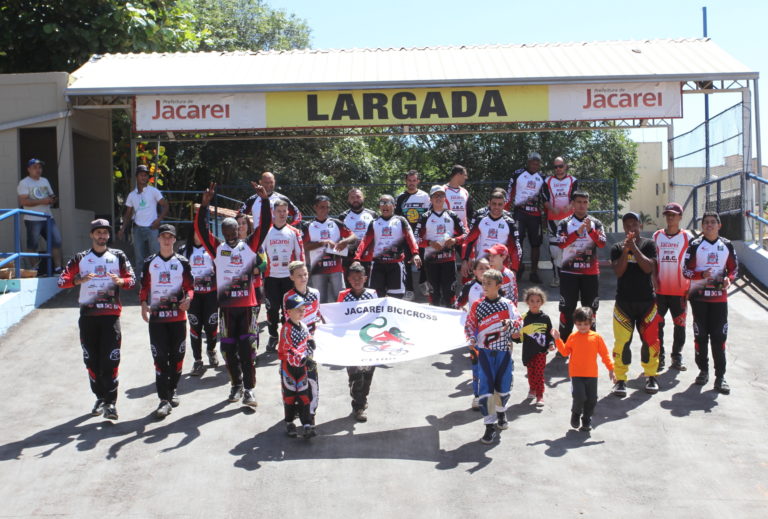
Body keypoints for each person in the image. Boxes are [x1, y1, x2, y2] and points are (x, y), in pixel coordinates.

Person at [195, 182, 271, 406]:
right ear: (222, 232)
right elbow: (200, 229)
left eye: (234, 231)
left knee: (247, 351)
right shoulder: (217, 249)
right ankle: (236, 384)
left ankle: (249, 389)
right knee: (228, 349)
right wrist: (204, 205)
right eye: (226, 232)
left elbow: (265, 225)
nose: (230, 235)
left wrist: (265, 201)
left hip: (247, 308)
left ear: (239, 230)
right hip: (226, 309)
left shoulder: (249, 246)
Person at [57, 219, 135, 420]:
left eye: (105, 233)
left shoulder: (118, 256)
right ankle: (100, 397)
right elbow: (61, 281)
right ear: (91, 234)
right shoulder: (80, 258)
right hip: (88, 317)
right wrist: (78, 280)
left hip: (110, 317)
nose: (102, 236)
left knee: (111, 360)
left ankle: (111, 403)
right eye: (98, 232)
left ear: (109, 236)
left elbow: (131, 280)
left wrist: (121, 281)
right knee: (92, 361)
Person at [139, 224, 194, 418]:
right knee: (160, 358)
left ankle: (173, 389)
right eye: (163, 236)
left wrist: (188, 299)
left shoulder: (182, 262)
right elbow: (144, 287)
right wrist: (143, 304)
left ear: (174, 239)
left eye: (170, 237)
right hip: (157, 320)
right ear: (158, 239)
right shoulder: (149, 262)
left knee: (177, 358)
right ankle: (163, 399)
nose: (167, 240)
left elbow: (189, 287)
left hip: (177, 318)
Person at [464, 269, 523, 445]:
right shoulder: (477, 305)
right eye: (483, 283)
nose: (485, 286)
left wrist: (510, 324)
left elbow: (520, 323)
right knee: (486, 390)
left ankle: (501, 412)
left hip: (504, 352)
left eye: (489, 283)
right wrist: (472, 338)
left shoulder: (507, 304)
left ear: (498, 285)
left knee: (503, 388)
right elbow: (469, 324)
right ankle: (489, 426)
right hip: (484, 353)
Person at [683, 211, 738, 394]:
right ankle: (703, 371)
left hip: (719, 299)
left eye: (713, 222)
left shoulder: (727, 245)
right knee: (701, 336)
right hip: (698, 297)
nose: (709, 225)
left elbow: (734, 269)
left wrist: (729, 279)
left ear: (719, 225)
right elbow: (685, 271)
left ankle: (720, 376)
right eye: (706, 222)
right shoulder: (695, 245)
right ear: (702, 226)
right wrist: (701, 275)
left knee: (719, 337)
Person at [610, 212, 661, 397]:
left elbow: (648, 267)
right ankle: (621, 379)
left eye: (634, 224)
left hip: (647, 302)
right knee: (622, 343)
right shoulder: (617, 247)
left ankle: (651, 376)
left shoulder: (649, 244)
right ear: (624, 228)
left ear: (640, 225)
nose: (631, 228)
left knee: (650, 341)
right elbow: (618, 272)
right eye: (627, 225)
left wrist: (634, 249)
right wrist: (626, 250)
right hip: (624, 303)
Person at [551, 307, 616, 432]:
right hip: (576, 374)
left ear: (591, 322)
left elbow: (605, 354)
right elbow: (564, 352)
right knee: (579, 397)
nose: (582, 327)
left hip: (591, 374)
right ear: (575, 323)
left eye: (585, 324)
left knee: (592, 399)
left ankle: (586, 418)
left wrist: (611, 369)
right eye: (579, 324)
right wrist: (558, 339)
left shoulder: (596, 337)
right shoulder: (573, 337)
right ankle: (576, 413)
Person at [555, 191, 607, 340]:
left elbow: (602, 243)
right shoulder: (564, 223)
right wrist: (577, 232)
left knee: (590, 309)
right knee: (567, 308)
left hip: (590, 274)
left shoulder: (596, 223)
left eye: (585, 202)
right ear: (572, 204)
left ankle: (590, 341)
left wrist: (590, 230)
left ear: (588, 204)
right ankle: (564, 343)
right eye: (579, 202)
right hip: (569, 273)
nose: (582, 205)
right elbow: (561, 243)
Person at [354, 194, 422, 298]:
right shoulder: (374, 223)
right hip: (377, 265)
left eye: (388, 203)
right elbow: (365, 241)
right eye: (382, 203)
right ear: (379, 207)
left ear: (394, 205)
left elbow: (411, 237)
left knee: (396, 298)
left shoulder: (401, 221)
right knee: (376, 298)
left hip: (396, 265)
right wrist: (357, 258)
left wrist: (415, 253)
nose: (385, 205)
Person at [337, 261, 379, 421]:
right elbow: (337, 316)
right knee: (355, 375)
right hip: (350, 342)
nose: (356, 281)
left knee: (367, 373)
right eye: (353, 278)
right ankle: (358, 406)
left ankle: (362, 399)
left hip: (369, 341)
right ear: (348, 279)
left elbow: (378, 315)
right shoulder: (343, 295)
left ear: (365, 278)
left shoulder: (372, 293)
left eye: (360, 278)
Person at [652, 202, 693, 371]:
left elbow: (693, 263)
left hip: (680, 291)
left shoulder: (688, 238)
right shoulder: (656, 236)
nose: (670, 217)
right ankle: (659, 357)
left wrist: (692, 286)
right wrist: (653, 279)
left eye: (674, 215)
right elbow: (652, 262)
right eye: (668, 214)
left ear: (680, 217)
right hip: (660, 291)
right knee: (657, 326)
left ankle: (676, 356)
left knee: (680, 326)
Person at [263, 199, 305, 352]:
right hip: (271, 277)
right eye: (278, 211)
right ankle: (273, 336)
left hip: (289, 278)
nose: (281, 214)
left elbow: (301, 254)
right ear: (273, 213)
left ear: (288, 213)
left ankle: (288, 336)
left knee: (289, 309)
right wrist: (260, 270)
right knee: (272, 309)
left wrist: (302, 276)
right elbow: (260, 254)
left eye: (284, 211)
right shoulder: (266, 231)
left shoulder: (293, 232)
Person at [283, 261, 321, 426]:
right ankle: (293, 414)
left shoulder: (315, 293)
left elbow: (317, 316)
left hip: (311, 345)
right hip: (295, 347)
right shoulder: (288, 297)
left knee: (311, 379)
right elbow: (289, 324)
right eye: (299, 275)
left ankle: (310, 413)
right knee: (294, 382)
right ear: (291, 277)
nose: (303, 278)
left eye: (305, 274)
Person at [414, 185, 467, 307]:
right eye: (435, 196)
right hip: (431, 261)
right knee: (434, 293)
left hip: (448, 260)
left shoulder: (452, 215)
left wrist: (455, 240)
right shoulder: (425, 217)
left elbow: (465, 234)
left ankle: (451, 315)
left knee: (450, 292)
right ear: (431, 199)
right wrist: (429, 243)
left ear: (445, 198)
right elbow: (415, 238)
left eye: (441, 195)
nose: (438, 198)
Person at [302, 195, 355, 303]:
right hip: (318, 268)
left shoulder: (336, 223)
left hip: (336, 268)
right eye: (322, 207)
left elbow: (353, 236)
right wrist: (323, 243)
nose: (325, 210)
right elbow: (304, 246)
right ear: (315, 207)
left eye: (327, 207)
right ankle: (321, 320)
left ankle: (341, 320)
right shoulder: (308, 225)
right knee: (320, 300)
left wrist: (345, 241)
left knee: (340, 298)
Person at [181, 226, 219, 376]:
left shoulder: (213, 249)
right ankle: (197, 360)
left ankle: (211, 350)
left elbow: (221, 269)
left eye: (202, 231)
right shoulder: (184, 250)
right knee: (195, 327)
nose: (199, 234)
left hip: (211, 294)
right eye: (196, 231)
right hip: (193, 296)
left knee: (211, 325)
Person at [454, 257, 491, 411]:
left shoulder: (497, 285)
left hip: (493, 332)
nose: (484, 271)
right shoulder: (469, 286)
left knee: (491, 366)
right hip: (475, 333)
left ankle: (490, 395)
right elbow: (457, 304)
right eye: (480, 268)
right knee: (476, 365)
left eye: (487, 267)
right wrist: (460, 310)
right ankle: (477, 396)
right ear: (474, 271)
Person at [461, 189, 522, 280]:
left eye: (500, 204)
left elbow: (515, 249)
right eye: (494, 204)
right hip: (482, 266)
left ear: (504, 204)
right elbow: (469, 241)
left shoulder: (510, 223)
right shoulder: (480, 220)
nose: (496, 207)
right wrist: (465, 260)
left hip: (500, 268)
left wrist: (514, 269)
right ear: (489, 203)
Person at [278, 294, 315, 439]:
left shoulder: (303, 325)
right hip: (289, 367)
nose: (302, 312)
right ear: (289, 312)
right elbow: (287, 348)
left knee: (304, 395)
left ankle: (306, 423)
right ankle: (289, 422)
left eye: (303, 309)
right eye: (298, 309)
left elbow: (306, 337)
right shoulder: (286, 329)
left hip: (302, 367)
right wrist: (303, 358)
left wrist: (311, 340)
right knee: (290, 396)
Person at [505, 152, 546, 283]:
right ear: (528, 162)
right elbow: (509, 192)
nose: (535, 165)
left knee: (536, 244)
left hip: (536, 214)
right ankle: (518, 269)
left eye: (537, 163)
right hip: (520, 213)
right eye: (533, 163)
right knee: (517, 242)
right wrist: (505, 210)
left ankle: (534, 272)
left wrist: (545, 215)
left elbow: (546, 197)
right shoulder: (517, 174)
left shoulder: (542, 177)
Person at [17, 158, 63, 273]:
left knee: (56, 241)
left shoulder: (44, 181)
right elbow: (23, 202)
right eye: (35, 167)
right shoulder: (24, 183)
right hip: (33, 219)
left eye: (40, 167)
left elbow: (52, 196)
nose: (38, 170)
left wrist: (53, 200)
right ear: (29, 169)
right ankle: (35, 269)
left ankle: (58, 268)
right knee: (33, 245)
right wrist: (42, 201)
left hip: (48, 217)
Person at [118, 165, 169, 268]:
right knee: (139, 259)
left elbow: (166, 205)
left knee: (155, 256)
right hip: (137, 229)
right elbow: (128, 214)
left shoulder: (153, 191)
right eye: (141, 175)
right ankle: (140, 283)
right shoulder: (132, 195)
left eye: (145, 175)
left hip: (152, 228)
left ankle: (156, 282)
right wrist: (122, 229)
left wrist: (158, 220)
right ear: (136, 176)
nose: (144, 177)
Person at [542, 157, 578, 287]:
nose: (558, 169)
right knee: (555, 250)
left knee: (570, 248)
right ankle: (556, 277)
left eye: (560, 166)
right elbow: (544, 198)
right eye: (556, 167)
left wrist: (569, 207)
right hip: (553, 219)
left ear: (565, 166)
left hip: (569, 220)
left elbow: (576, 197)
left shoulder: (573, 180)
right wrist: (551, 208)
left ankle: (571, 276)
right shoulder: (547, 181)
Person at [516, 287, 555, 407]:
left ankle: (540, 395)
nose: (535, 303)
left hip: (541, 352)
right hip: (528, 352)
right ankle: (532, 389)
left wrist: (551, 343)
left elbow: (550, 333)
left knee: (539, 374)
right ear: (527, 302)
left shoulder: (545, 318)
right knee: (531, 373)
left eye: (538, 301)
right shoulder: (523, 318)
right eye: (532, 301)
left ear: (542, 302)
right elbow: (518, 337)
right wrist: (514, 336)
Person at [395, 170, 431, 300]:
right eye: (409, 180)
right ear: (406, 181)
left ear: (418, 181)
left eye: (414, 180)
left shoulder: (425, 196)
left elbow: (429, 214)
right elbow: (396, 217)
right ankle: (409, 290)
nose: (411, 183)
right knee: (406, 262)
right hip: (406, 236)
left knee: (423, 260)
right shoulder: (400, 197)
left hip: (421, 234)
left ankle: (422, 282)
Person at [339, 188, 378, 279]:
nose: (355, 199)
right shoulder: (343, 216)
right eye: (352, 197)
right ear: (348, 200)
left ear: (363, 198)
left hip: (368, 254)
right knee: (350, 282)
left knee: (369, 282)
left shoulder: (372, 215)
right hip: (349, 255)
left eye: (358, 197)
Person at [443, 164, 474, 231]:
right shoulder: (442, 190)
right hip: (447, 230)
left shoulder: (465, 192)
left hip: (463, 231)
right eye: (465, 175)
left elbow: (470, 212)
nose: (466, 178)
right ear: (458, 175)